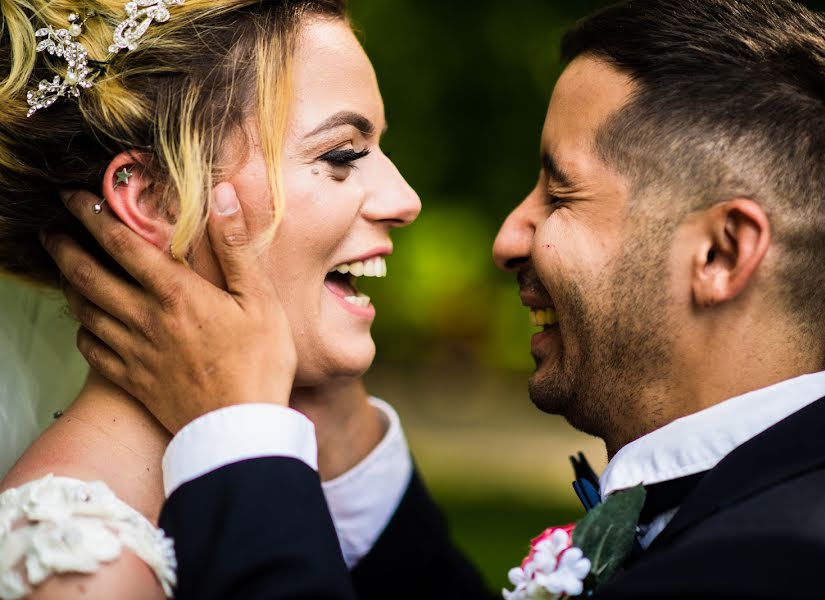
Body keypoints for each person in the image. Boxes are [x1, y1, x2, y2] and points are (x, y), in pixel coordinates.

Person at [18, 0, 825, 597]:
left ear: (719, 252)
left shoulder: (802, 563)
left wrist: (238, 441)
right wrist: (334, 429)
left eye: (558, 192)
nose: (503, 236)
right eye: (340, 154)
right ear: (149, 198)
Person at [0, 1, 477, 598]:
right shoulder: (84, 568)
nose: (405, 200)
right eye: (342, 155)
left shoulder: (284, 494)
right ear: (152, 200)